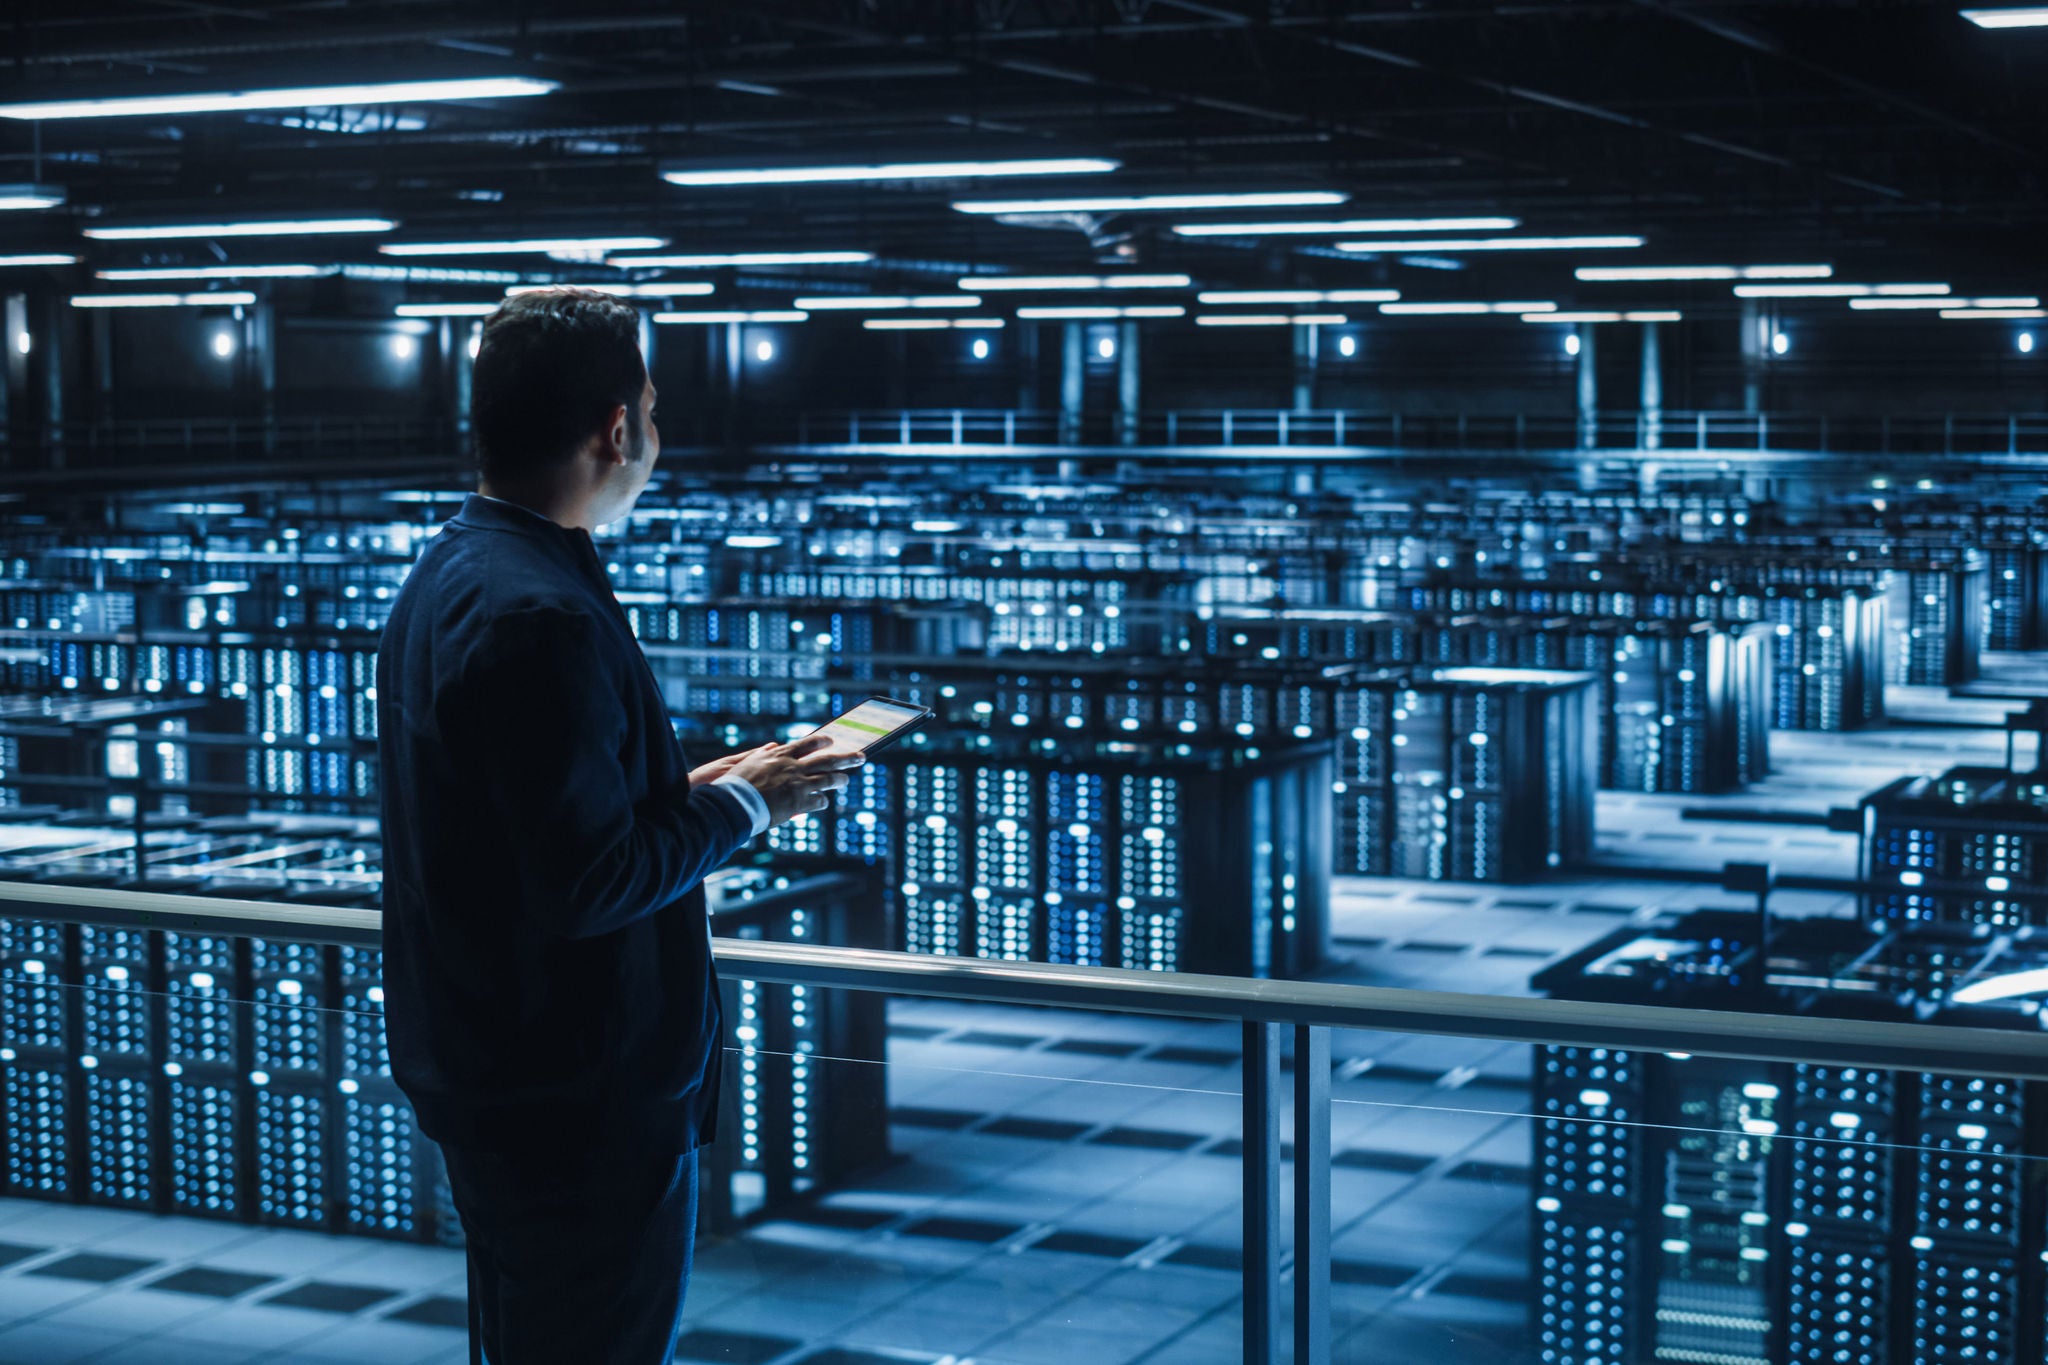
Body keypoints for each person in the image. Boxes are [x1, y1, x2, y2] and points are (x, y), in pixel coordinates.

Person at [375, 288, 861, 1364]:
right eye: (649, 405)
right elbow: (587, 880)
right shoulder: (536, 613)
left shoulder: (457, 572)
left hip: (501, 1083)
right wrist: (754, 804)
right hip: (578, 1108)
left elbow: (527, 818)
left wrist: (700, 782)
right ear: (615, 428)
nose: (656, 432)